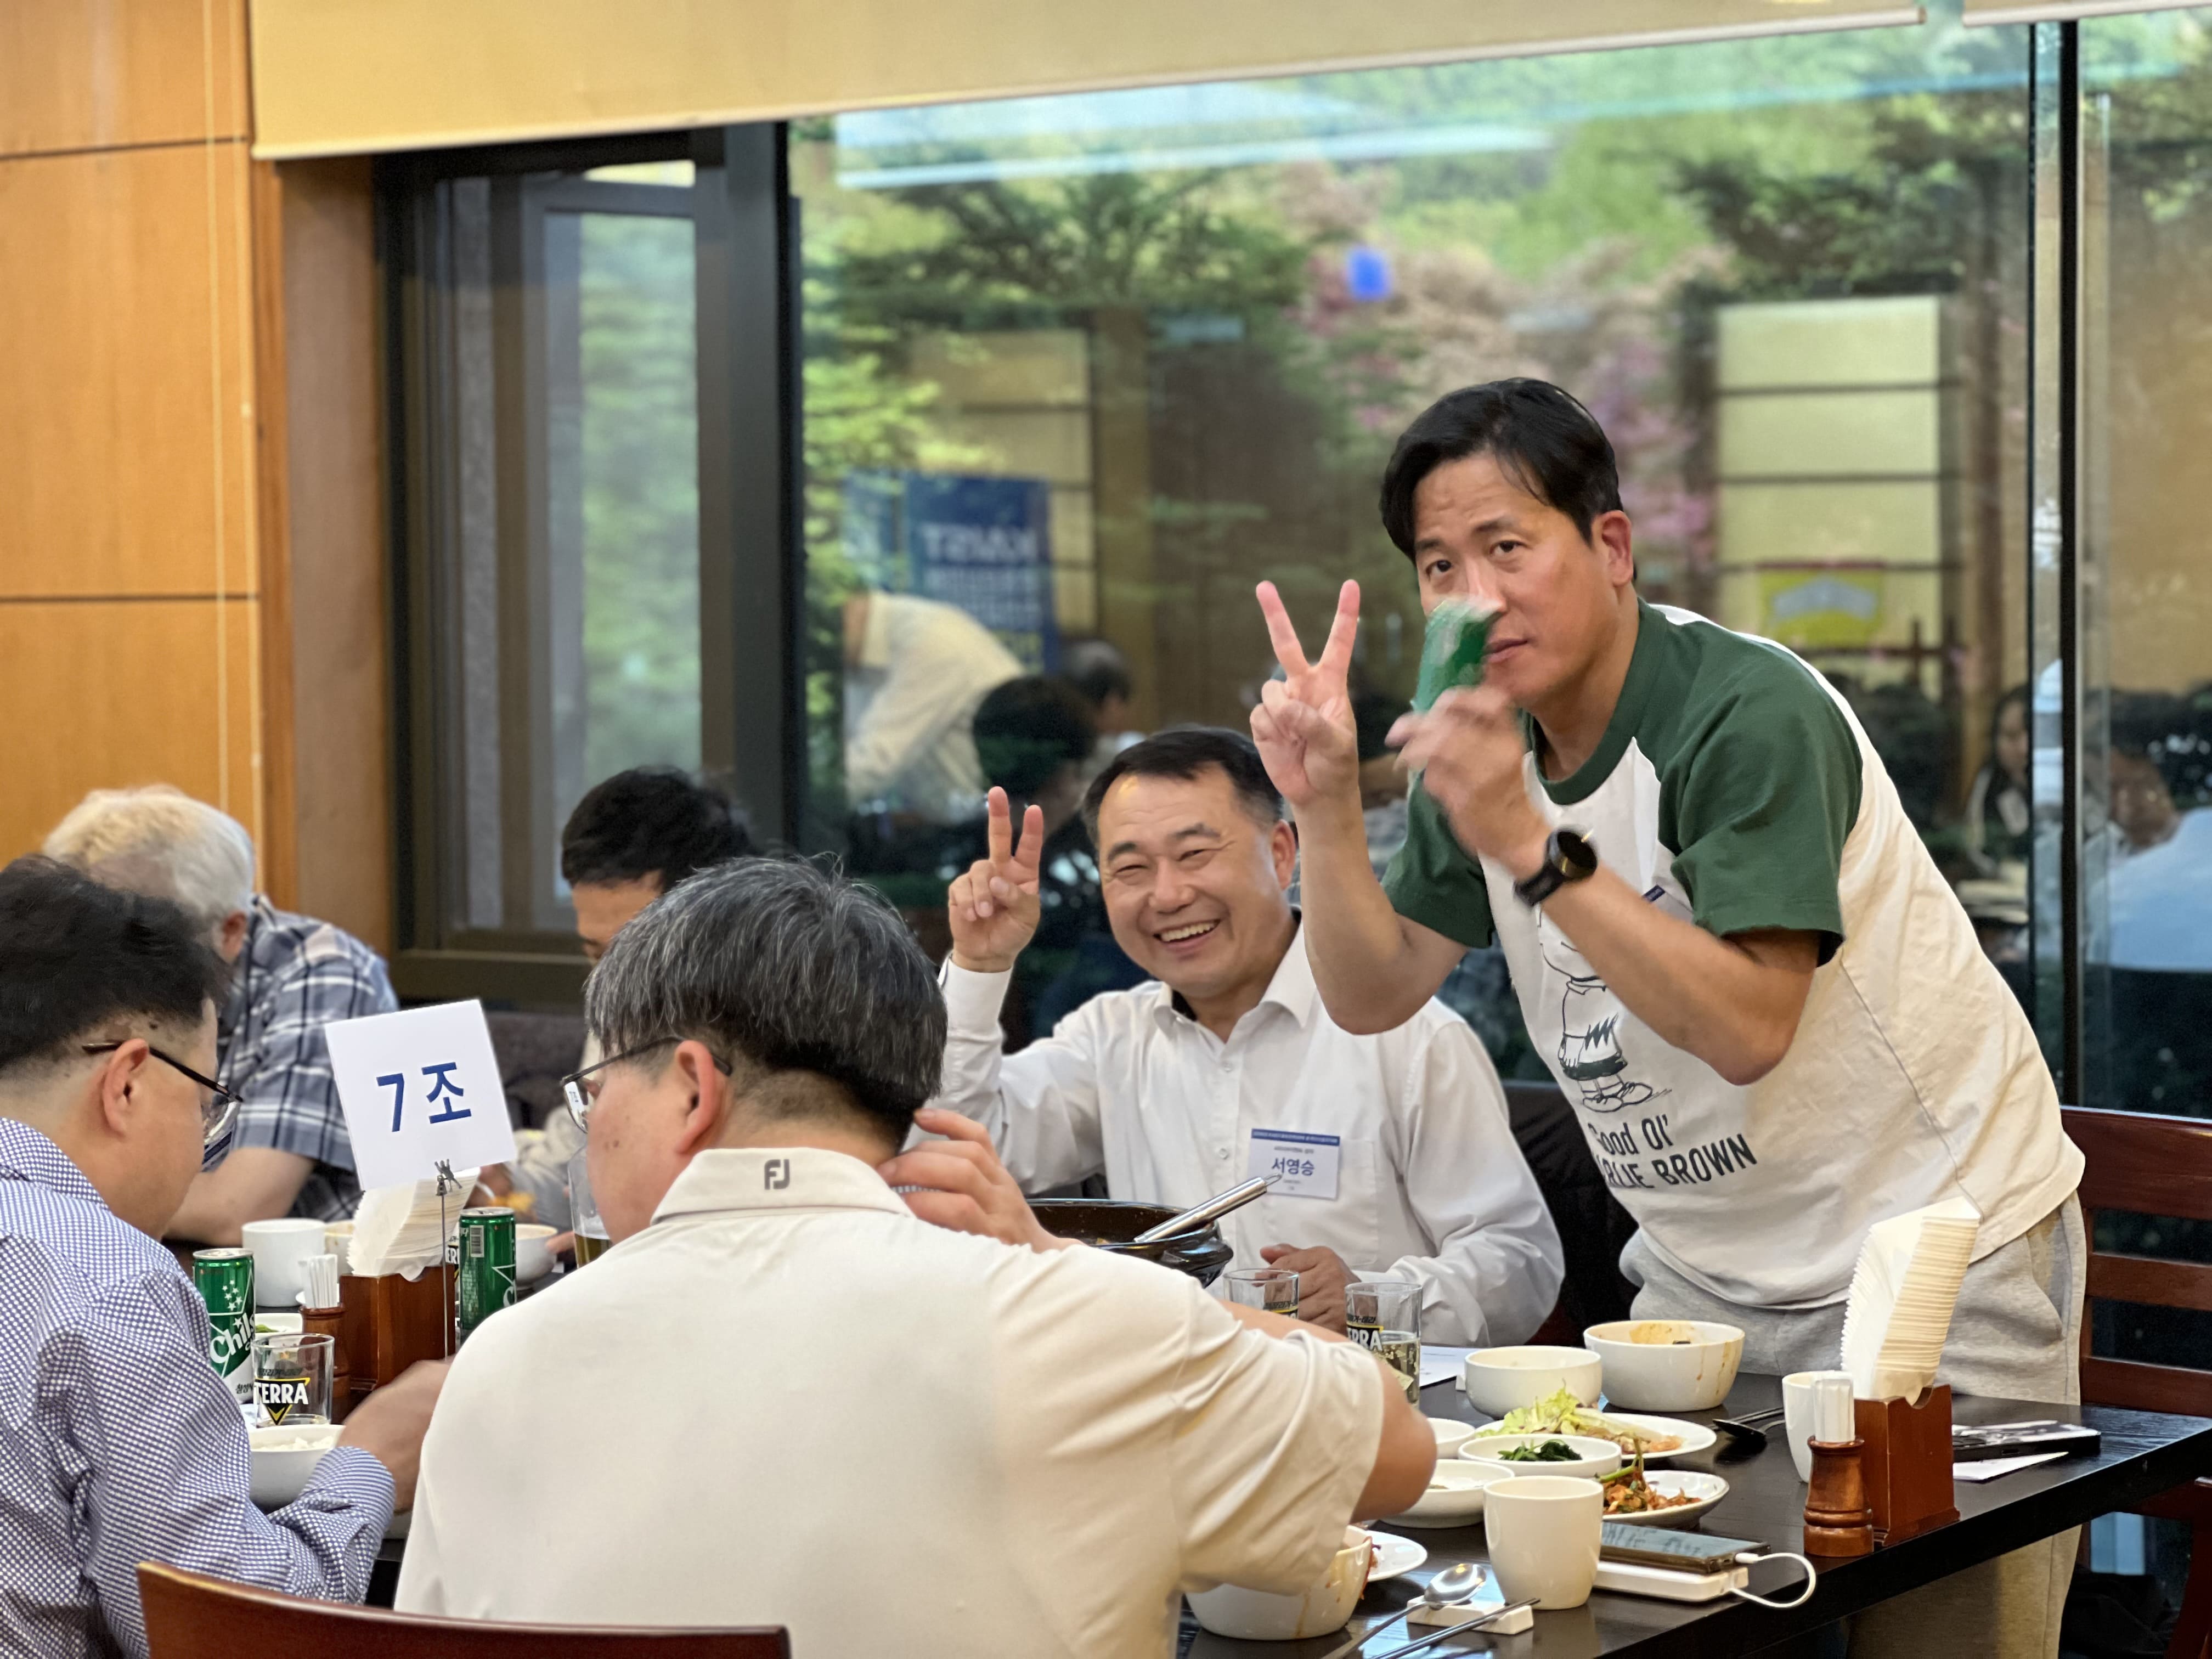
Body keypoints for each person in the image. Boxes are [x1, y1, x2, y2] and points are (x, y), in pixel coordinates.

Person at [1249, 379, 2082, 1659]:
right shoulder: (1485, 742)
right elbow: (1371, 992)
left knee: (1941, 1630)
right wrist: (1321, 807)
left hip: (1930, 1250)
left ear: (1612, 546)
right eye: (1441, 565)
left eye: (1508, 546)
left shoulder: (1744, 710)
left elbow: (1750, 1027)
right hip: (1702, 1278)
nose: (1476, 597)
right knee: (1661, 1625)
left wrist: (1527, 839)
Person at [396, 857, 1431, 1655]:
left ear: (694, 1087)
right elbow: (1395, 1446)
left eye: (596, 1095)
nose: (594, 1131)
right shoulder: (1077, 1321)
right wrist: (1058, 1261)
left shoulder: (502, 1363)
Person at [935, 727, 1562, 1346]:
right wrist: (979, 966)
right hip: (1176, 1398)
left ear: (1282, 853)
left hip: (1360, 1399)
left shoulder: (1405, 1036)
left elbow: (1520, 1262)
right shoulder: (1109, 1039)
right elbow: (954, 1143)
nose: (1168, 895)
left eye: (1195, 855)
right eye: (1130, 868)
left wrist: (1369, 1298)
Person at [0, 857, 445, 1659]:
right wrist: (372, 1460)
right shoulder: (106, 1280)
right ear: (127, 1084)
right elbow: (231, 1633)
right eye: (207, 1104)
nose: (204, 1138)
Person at [44, 785, 399, 1239]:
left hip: (298, 1277)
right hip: (123, 1248)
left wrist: (46, 1198)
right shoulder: (69, 969)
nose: (105, 967)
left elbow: (238, 1210)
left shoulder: (324, 973)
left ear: (230, 931)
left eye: (139, 944)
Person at [492, 767, 758, 1228]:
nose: (610, 985)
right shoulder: (615, 1006)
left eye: (634, 955)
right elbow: (574, 1161)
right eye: (596, 955)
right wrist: (501, 1186)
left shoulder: (789, 1031)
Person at [843, 588, 1022, 822]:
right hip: (967, 822)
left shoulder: (931, 639)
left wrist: (801, 802)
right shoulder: (856, 658)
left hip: (1008, 824)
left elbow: (873, 762)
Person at [1963, 685, 2032, 873]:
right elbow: (1976, 847)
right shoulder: (1990, 782)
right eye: (2011, 736)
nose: (2023, 749)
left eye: (2034, 734)